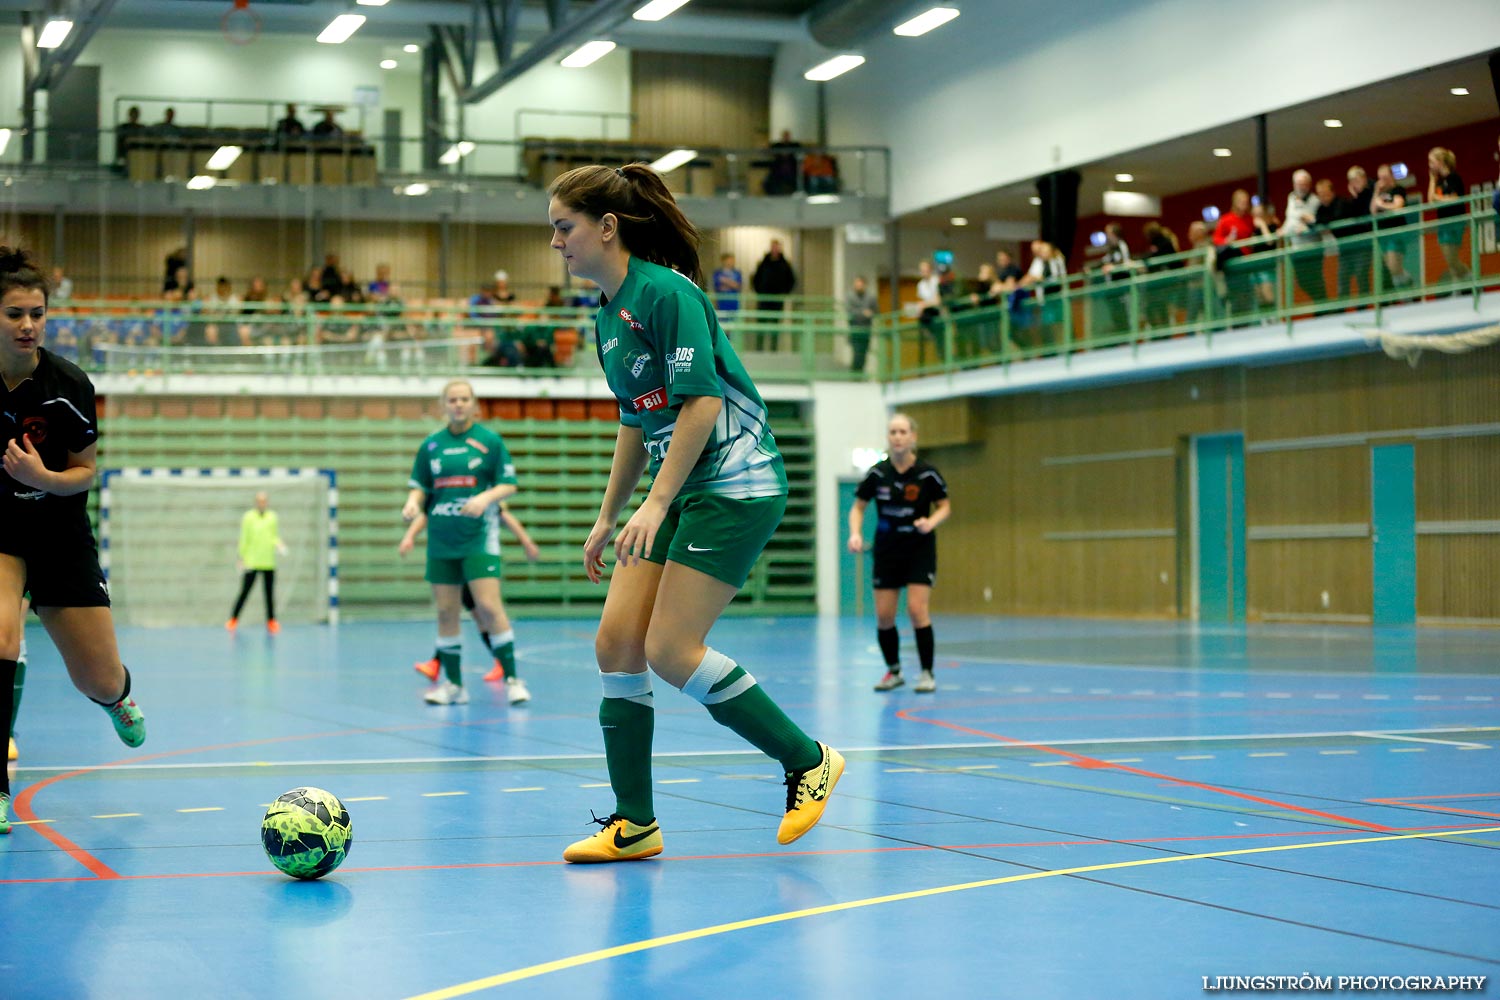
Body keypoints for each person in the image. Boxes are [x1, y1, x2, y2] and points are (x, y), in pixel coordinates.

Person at [546, 162, 843, 862]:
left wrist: (654, 501)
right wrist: (606, 515)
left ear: (607, 228)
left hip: (734, 485)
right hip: (679, 490)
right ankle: (635, 824)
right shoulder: (607, 317)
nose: (556, 243)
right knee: (616, 642)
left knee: (670, 649)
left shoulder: (667, 294)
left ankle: (807, 760)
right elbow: (634, 421)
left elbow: (703, 402)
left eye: (565, 228)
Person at [0, 246, 147, 834]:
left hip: (59, 530)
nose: (28, 325)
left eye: (37, 313)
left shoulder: (68, 385)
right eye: (14, 314)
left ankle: (118, 699)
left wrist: (41, 478)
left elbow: (85, 470)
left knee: (98, 677)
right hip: (1, 532)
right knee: (3, 638)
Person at [401, 379, 529, 706]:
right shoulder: (431, 446)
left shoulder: (490, 442)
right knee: (446, 612)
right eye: (452, 399)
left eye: (464, 399)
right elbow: (421, 487)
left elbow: (508, 485)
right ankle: (454, 686)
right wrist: (413, 503)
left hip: (478, 540)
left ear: (474, 405)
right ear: (443, 405)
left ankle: (513, 679)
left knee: (488, 607)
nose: (458, 404)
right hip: (441, 542)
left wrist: (485, 498)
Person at [847, 414, 951, 694]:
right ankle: (894, 672)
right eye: (893, 431)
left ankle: (927, 673)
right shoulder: (878, 474)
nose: (898, 436)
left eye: (903, 431)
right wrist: (855, 533)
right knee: (884, 616)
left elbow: (944, 506)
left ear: (913, 437)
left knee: (917, 610)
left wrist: (931, 522)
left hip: (919, 549)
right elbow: (858, 507)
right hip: (887, 551)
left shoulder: (927, 474)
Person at [400, 504, 539, 684]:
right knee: (460, 613)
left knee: (483, 612)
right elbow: (428, 514)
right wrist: (409, 536)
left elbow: (505, 516)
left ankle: (500, 664)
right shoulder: (445, 495)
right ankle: (442, 662)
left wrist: (526, 542)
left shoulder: (483, 492)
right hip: (454, 557)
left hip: (476, 559)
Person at [226, 491, 287, 634]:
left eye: (264, 501)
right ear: (255, 502)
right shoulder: (248, 517)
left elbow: (273, 536)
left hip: (268, 562)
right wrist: (241, 557)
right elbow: (244, 538)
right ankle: (233, 619)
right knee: (245, 591)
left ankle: (271, 621)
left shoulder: (272, 517)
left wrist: (279, 545)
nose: (262, 503)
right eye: (259, 501)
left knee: (269, 594)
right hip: (252, 561)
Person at [1427, 147, 1471, 283]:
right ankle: (1458, 287)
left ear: (1440, 162)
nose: (1429, 165)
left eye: (1431, 161)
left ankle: (1470, 278)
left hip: (1455, 222)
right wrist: (1432, 180)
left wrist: (1437, 198)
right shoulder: (1439, 181)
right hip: (1443, 223)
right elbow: (1430, 201)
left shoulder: (1454, 178)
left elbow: (1454, 198)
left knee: (1452, 259)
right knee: (1449, 260)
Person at [1370, 163, 1414, 291]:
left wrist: (1382, 205)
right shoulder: (1380, 193)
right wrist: (1376, 192)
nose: (1382, 180)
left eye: (1385, 177)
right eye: (1380, 178)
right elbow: (1373, 211)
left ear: (1391, 176)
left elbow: (1398, 206)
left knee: (1395, 267)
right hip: (1383, 234)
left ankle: (1409, 285)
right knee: (1391, 269)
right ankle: (1405, 294)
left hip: (1396, 233)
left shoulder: (1398, 189)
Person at [750, 240, 796, 351]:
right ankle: (759, 349)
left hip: (777, 299)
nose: (775, 249)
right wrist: (759, 291)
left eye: (777, 247)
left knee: (775, 325)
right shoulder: (763, 263)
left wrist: (785, 292)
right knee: (761, 324)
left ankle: (773, 349)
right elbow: (755, 278)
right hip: (764, 299)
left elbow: (792, 280)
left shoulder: (785, 264)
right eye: (773, 247)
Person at [846, 274, 877, 373]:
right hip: (854, 329)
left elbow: (876, 311)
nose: (858, 286)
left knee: (864, 353)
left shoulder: (871, 297)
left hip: (866, 329)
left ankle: (860, 374)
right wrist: (863, 313)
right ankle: (855, 375)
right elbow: (849, 311)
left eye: (860, 284)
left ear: (865, 285)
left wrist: (869, 314)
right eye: (856, 284)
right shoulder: (850, 297)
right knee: (856, 353)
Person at [711, 253, 742, 317]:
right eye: (729, 260)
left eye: (733, 260)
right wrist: (732, 284)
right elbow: (718, 286)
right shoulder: (717, 273)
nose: (731, 262)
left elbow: (738, 286)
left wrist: (724, 281)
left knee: (734, 322)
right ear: (723, 261)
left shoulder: (737, 273)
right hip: (721, 303)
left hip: (734, 302)